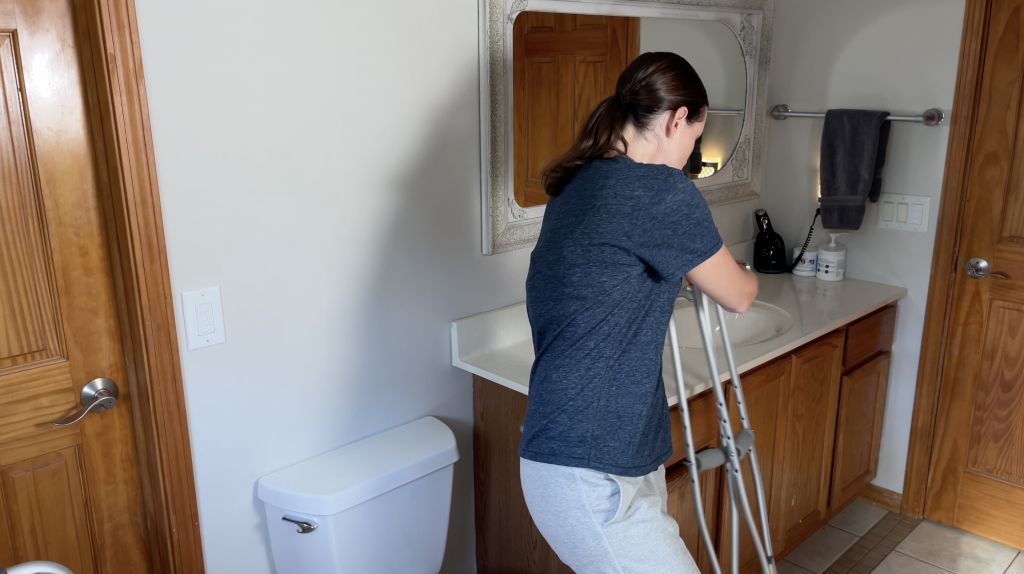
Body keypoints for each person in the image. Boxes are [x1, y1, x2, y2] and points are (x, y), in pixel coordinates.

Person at [519, 52, 758, 573]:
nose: (691, 154)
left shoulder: (578, 182)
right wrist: (745, 269)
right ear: (677, 120)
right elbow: (738, 293)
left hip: (588, 449)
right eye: (695, 139)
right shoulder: (657, 191)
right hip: (588, 467)